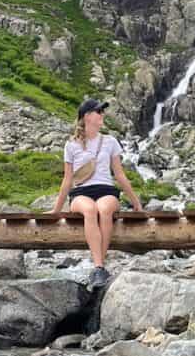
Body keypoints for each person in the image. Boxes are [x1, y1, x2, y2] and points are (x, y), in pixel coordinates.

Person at [51, 98, 143, 289]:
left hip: (107, 190)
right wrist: (56, 211)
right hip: (81, 193)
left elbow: (119, 174)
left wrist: (136, 202)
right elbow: (67, 180)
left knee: (104, 208)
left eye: (102, 111)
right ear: (86, 116)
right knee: (90, 210)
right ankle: (99, 266)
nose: (102, 114)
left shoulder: (110, 141)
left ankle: (98, 267)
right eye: (98, 111)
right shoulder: (71, 145)